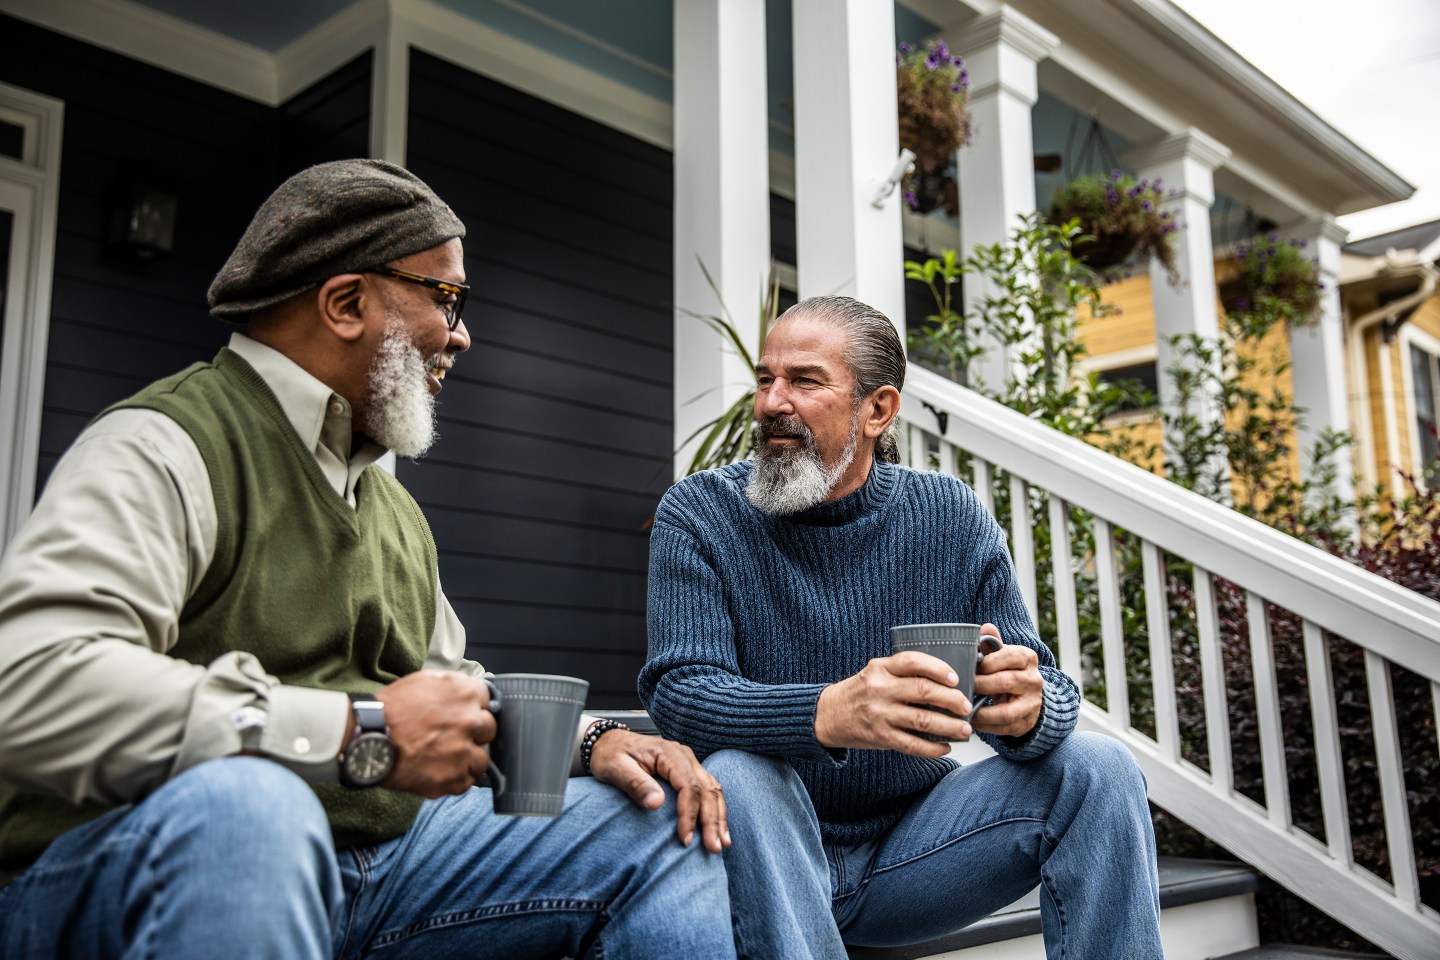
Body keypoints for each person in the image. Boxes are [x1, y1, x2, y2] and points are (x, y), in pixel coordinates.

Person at [0, 159, 735, 960]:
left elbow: (457, 697)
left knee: (661, 823)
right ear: (346, 303)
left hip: (378, 868)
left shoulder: (393, 510)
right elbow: (28, 681)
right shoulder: (167, 444)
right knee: (253, 811)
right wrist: (359, 732)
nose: (462, 334)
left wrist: (594, 743)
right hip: (120, 872)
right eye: (446, 298)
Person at [640, 295, 1163, 959]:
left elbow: (1041, 681)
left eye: (803, 381)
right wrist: (830, 711)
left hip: (913, 855)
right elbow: (681, 695)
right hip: (757, 852)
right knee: (743, 773)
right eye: (765, 379)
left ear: (877, 408)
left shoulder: (947, 515)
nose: (772, 402)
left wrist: (1032, 709)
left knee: (1101, 765)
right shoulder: (701, 511)